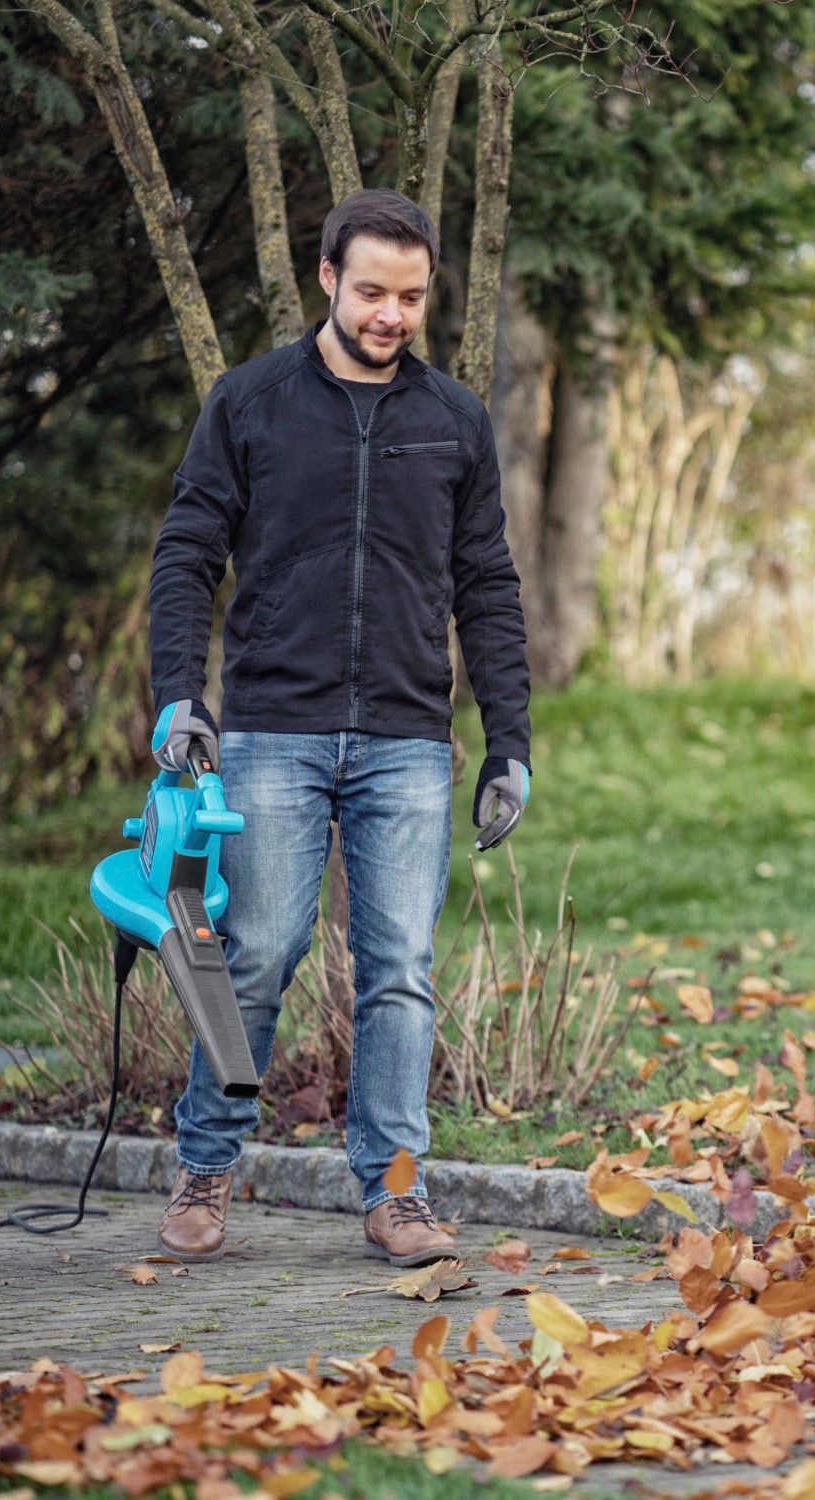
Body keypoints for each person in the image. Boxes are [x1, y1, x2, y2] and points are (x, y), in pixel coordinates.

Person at [146, 188, 531, 1267]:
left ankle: (397, 1195)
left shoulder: (453, 419)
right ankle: (207, 1168)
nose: (391, 314)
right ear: (327, 279)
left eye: (411, 296)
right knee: (256, 953)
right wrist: (181, 696)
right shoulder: (253, 401)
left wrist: (510, 742)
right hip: (272, 729)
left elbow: (488, 584)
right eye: (371, 291)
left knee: (400, 968)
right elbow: (186, 554)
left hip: (408, 740)